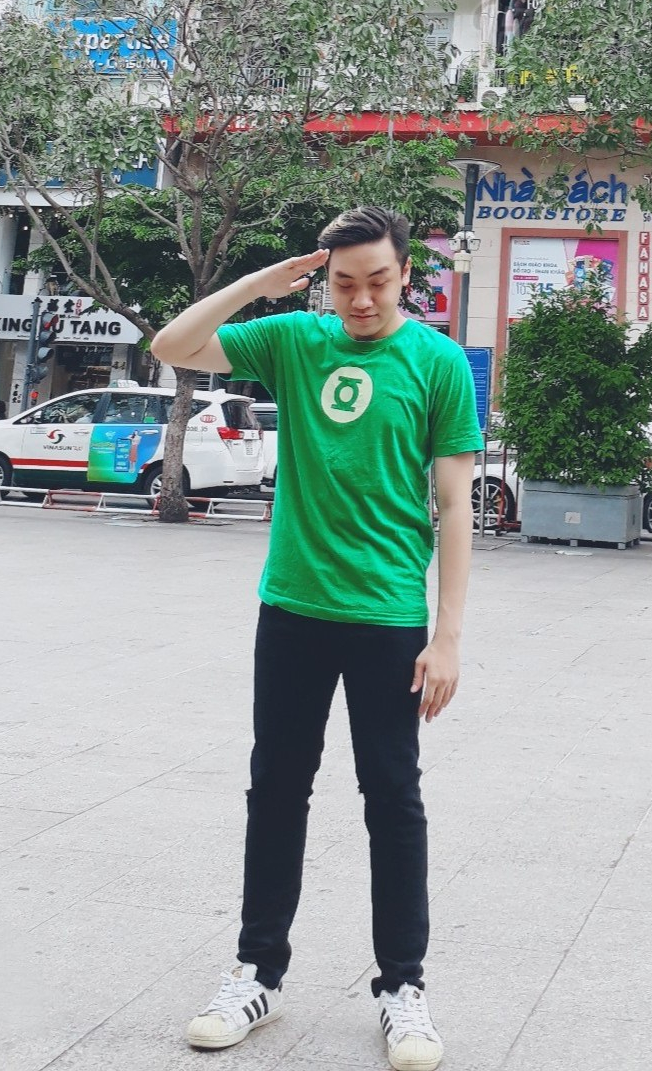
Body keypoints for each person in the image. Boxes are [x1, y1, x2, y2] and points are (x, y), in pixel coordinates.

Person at [152, 207, 483, 1068]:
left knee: (392, 796)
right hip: (293, 607)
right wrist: (265, 282)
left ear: (404, 274)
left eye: (378, 282)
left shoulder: (438, 362)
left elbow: (454, 506)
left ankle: (402, 988)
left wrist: (447, 636)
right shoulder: (293, 340)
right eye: (343, 284)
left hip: (387, 617)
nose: (361, 300)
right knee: (277, 788)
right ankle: (256, 972)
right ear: (322, 282)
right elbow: (173, 344)